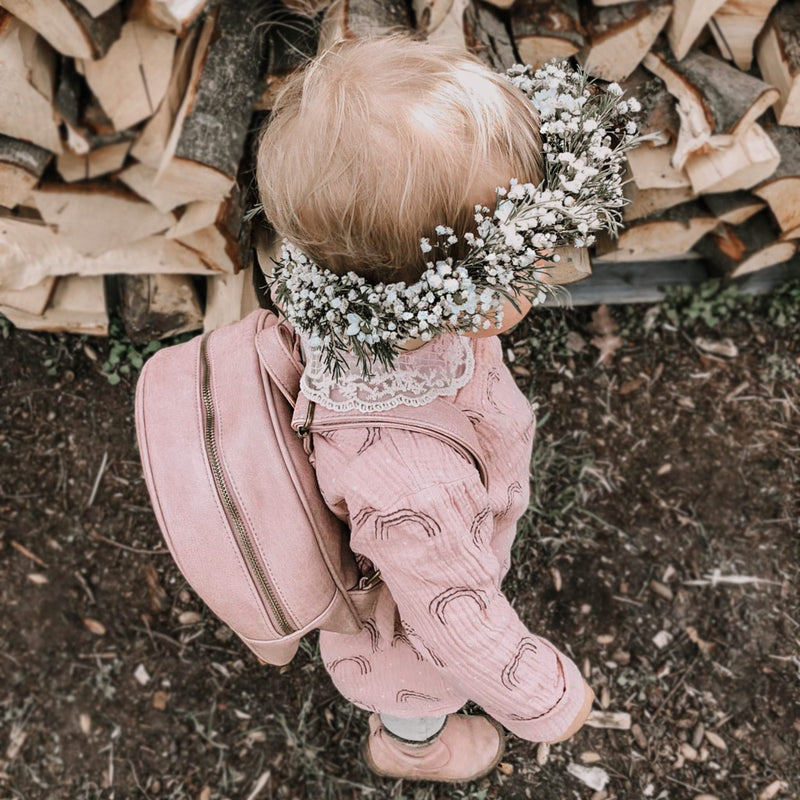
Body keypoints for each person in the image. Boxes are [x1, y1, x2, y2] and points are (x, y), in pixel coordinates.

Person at [255, 33, 631, 782]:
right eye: (515, 259)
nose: (537, 275)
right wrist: (548, 699)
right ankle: (412, 746)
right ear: (447, 294)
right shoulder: (414, 489)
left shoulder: (347, 290)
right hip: (404, 634)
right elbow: (454, 620)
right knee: (421, 688)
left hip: (435, 502)